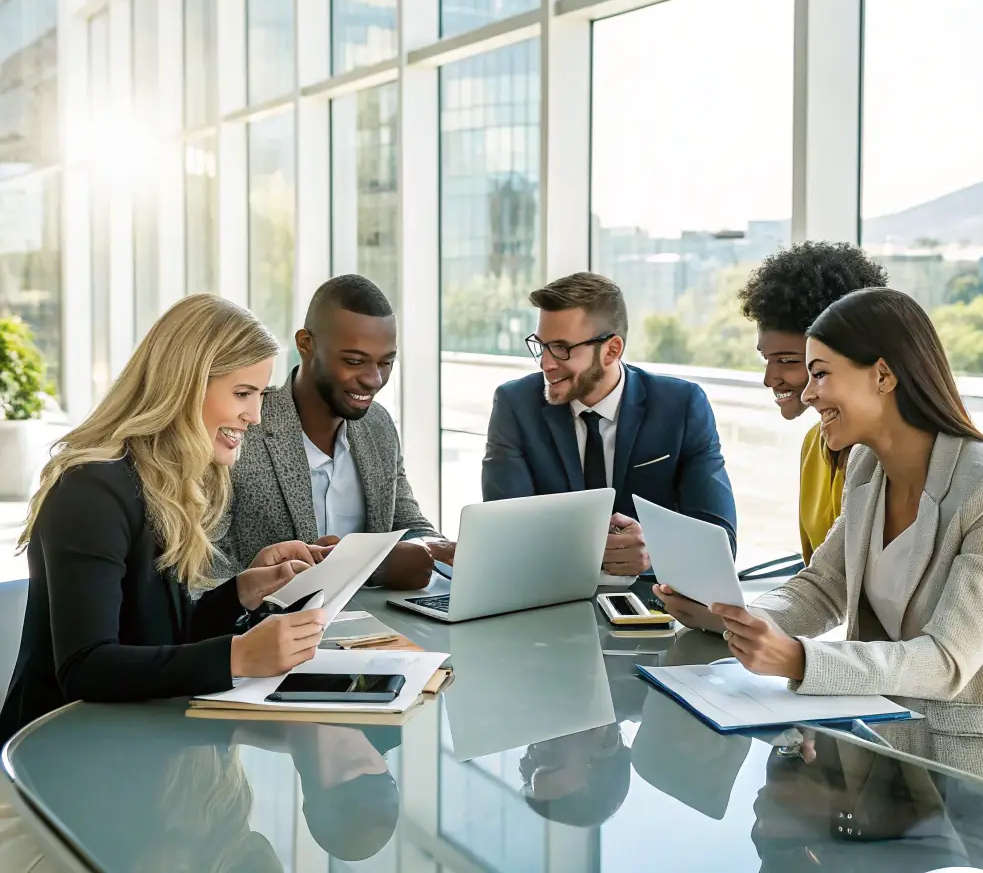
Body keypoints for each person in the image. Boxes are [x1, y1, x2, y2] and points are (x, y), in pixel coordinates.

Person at [654, 288, 983, 737]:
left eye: (821, 374)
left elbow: (946, 661)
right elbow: (823, 587)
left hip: (967, 755)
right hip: (880, 735)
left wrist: (798, 659)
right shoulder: (866, 467)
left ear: (883, 375)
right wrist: (741, 619)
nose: (808, 394)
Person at [0, 294, 328, 742]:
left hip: (129, 739)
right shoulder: (91, 490)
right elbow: (86, 666)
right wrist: (237, 656)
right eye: (242, 393)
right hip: (55, 754)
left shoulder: (165, 479)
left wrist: (242, 592)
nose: (254, 416)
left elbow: (155, 637)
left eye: (260, 395)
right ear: (186, 385)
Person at [482, 272, 736, 579]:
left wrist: (654, 551)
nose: (545, 363)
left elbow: (720, 540)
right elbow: (505, 533)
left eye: (561, 348)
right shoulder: (515, 405)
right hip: (548, 593)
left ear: (612, 350)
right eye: (541, 345)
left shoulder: (681, 406)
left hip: (654, 598)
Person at [217, 275, 452, 590]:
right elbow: (206, 574)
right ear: (306, 344)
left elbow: (408, 524)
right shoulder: (241, 430)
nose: (373, 379)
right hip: (268, 618)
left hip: (376, 619)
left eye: (386, 363)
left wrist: (434, 547)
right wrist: (368, 564)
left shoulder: (378, 425)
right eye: (354, 361)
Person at [736, 242, 888, 563]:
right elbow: (818, 574)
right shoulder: (814, 446)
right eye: (766, 358)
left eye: (788, 361)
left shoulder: (895, 458)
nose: (769, 378)